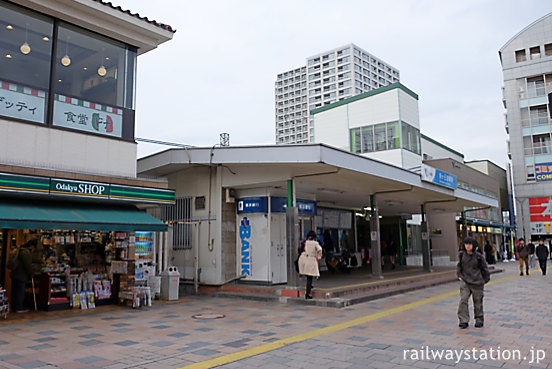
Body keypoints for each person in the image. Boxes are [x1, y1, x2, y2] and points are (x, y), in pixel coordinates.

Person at [457, 237, 490, 329]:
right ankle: (463, 320)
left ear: (473, 245)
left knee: (478, 302)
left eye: (469, 244)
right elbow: (459, 266)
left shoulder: (479, 256)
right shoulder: (461, 255)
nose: (467, 246)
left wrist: (485, 280)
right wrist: (459, 275)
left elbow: (485, 268)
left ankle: (479, 319)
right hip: (465, 281)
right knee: (463, 300)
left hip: (477, 282)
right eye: (466, 244)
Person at [10, 239, 37, 313]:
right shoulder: (26, 252)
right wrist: (31, 273)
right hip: (21, 275)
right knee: (20, 292)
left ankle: (14, 306)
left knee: (15, 291)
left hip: (15, 274)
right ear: (32, 246)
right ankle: (19, 307)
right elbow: (27, 265)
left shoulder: (19, 250)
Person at [298, 231, 322, 300]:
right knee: (309, 277)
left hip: (302, 259)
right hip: (310, 260)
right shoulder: (315, 243)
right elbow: (320, 249)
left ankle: (309, 288)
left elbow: (299, 250)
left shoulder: (303, 242)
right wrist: (318, 256)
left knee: (307, 274)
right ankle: (307, 293)